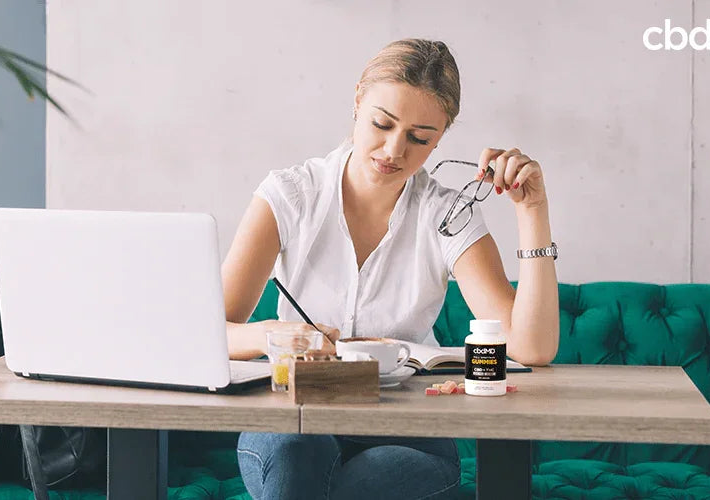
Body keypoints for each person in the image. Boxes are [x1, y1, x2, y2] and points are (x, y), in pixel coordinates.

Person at [221, 38, 559, 500]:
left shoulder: (447, 215)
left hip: (407, 430)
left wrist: (532, 210)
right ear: (358, 100)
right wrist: (276, 337)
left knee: (364, 477)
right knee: (297, 452)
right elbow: (210, 332)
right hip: (296, 419)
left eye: (420, 138)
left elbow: (531, 348)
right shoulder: (290, 196)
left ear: (441, 137)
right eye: (382, 123)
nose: (394, 150)